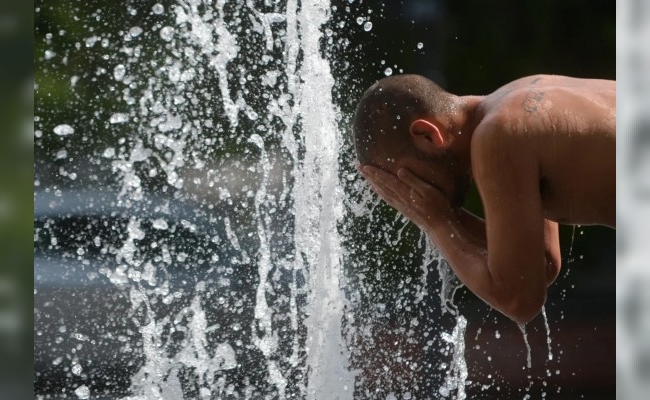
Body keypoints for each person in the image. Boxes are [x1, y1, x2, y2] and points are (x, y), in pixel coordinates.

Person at [353, 74, 615, 324]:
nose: (410, 193)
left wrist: (437, 223)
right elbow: (540, 264)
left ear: (428, 135)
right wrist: (443, 214)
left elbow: (519, 300)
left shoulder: (498, 135)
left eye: (405, 177)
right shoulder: (516, 100)